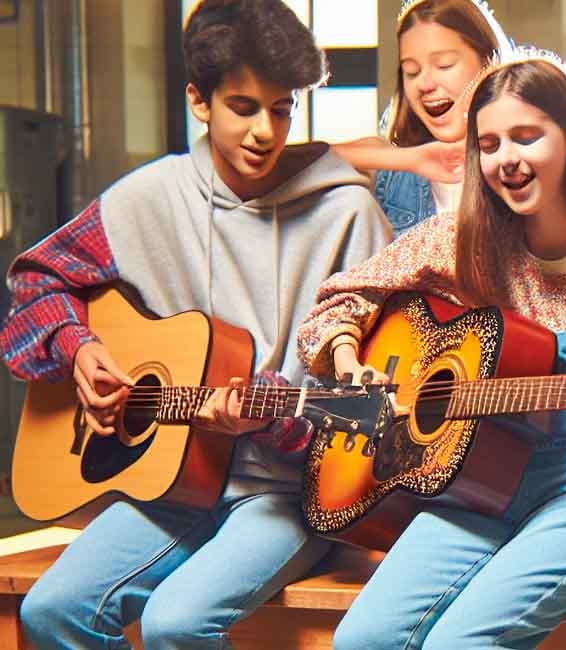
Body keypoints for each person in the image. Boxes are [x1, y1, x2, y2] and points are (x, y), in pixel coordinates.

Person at [0, 1, 392, 647]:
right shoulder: (147, 198)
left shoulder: (349, 215)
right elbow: (37, 282)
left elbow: (377, 411)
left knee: (176, 624)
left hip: (285, 492)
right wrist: (79, 349)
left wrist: (274, 420)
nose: (265, 131)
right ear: (199, 101)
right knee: (49, 612)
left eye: (282, 108)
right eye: (244, 107)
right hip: (173, 482)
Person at [297, 54, 566, 649]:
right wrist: (351, 367)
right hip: (472, 483)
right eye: (490, 143)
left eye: (527, 137)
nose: (507, 159)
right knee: (359, 642)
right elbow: (338, 302)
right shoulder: (463, 239)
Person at [333, 0, 512, 234]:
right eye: (412, 72)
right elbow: (282, 163)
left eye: (444, 65)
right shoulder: (393, 176)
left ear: (489, 62)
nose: (425, 84)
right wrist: (412, 159)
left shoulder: (526, 162)